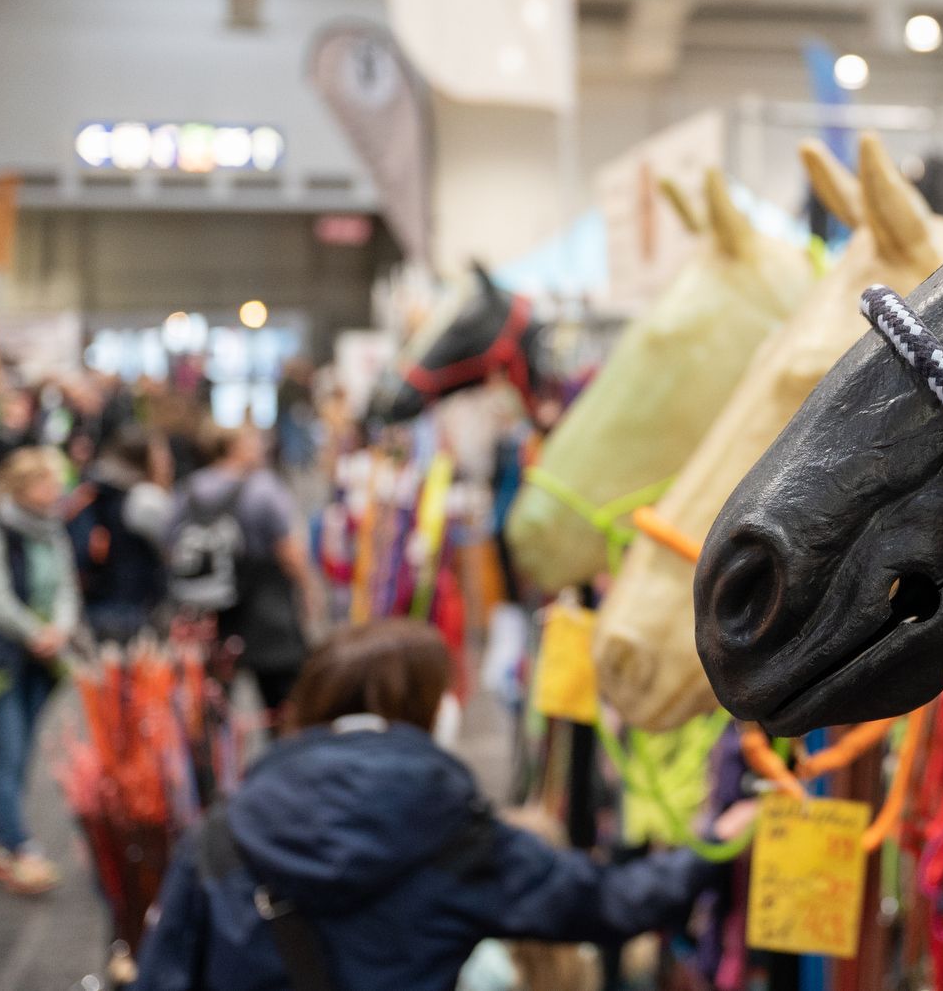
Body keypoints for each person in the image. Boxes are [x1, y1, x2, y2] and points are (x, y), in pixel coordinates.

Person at [134, 619, 745, 991]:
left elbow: (163, 976)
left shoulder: (221, 832)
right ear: (433, 714)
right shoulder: (454, 834)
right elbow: (608, 904)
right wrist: (718, 844)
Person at [0, 446, 80, 895]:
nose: (56, 491)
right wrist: (33, 632)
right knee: (11, 750)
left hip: (43, 660)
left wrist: (58, 629)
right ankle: (19, 844)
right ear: (23, 486)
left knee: (19, 756)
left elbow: (66, 589)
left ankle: (1, 842)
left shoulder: (53, 532)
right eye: (47, 483)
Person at [168, 425, 317, 714]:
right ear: (234, 447)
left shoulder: (188, 489)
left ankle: (217, 758)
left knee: (211, 704)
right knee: (282, 704)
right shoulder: (263, 489)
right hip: (268, 611)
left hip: (208, 611)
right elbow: (290, 551)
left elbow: (170, 544)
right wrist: (308, 593)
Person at [70, 426, 174, 643]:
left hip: (94, 603)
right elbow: (171, 547)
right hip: (134, 606)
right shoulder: (145, 498)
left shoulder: (93, 486)